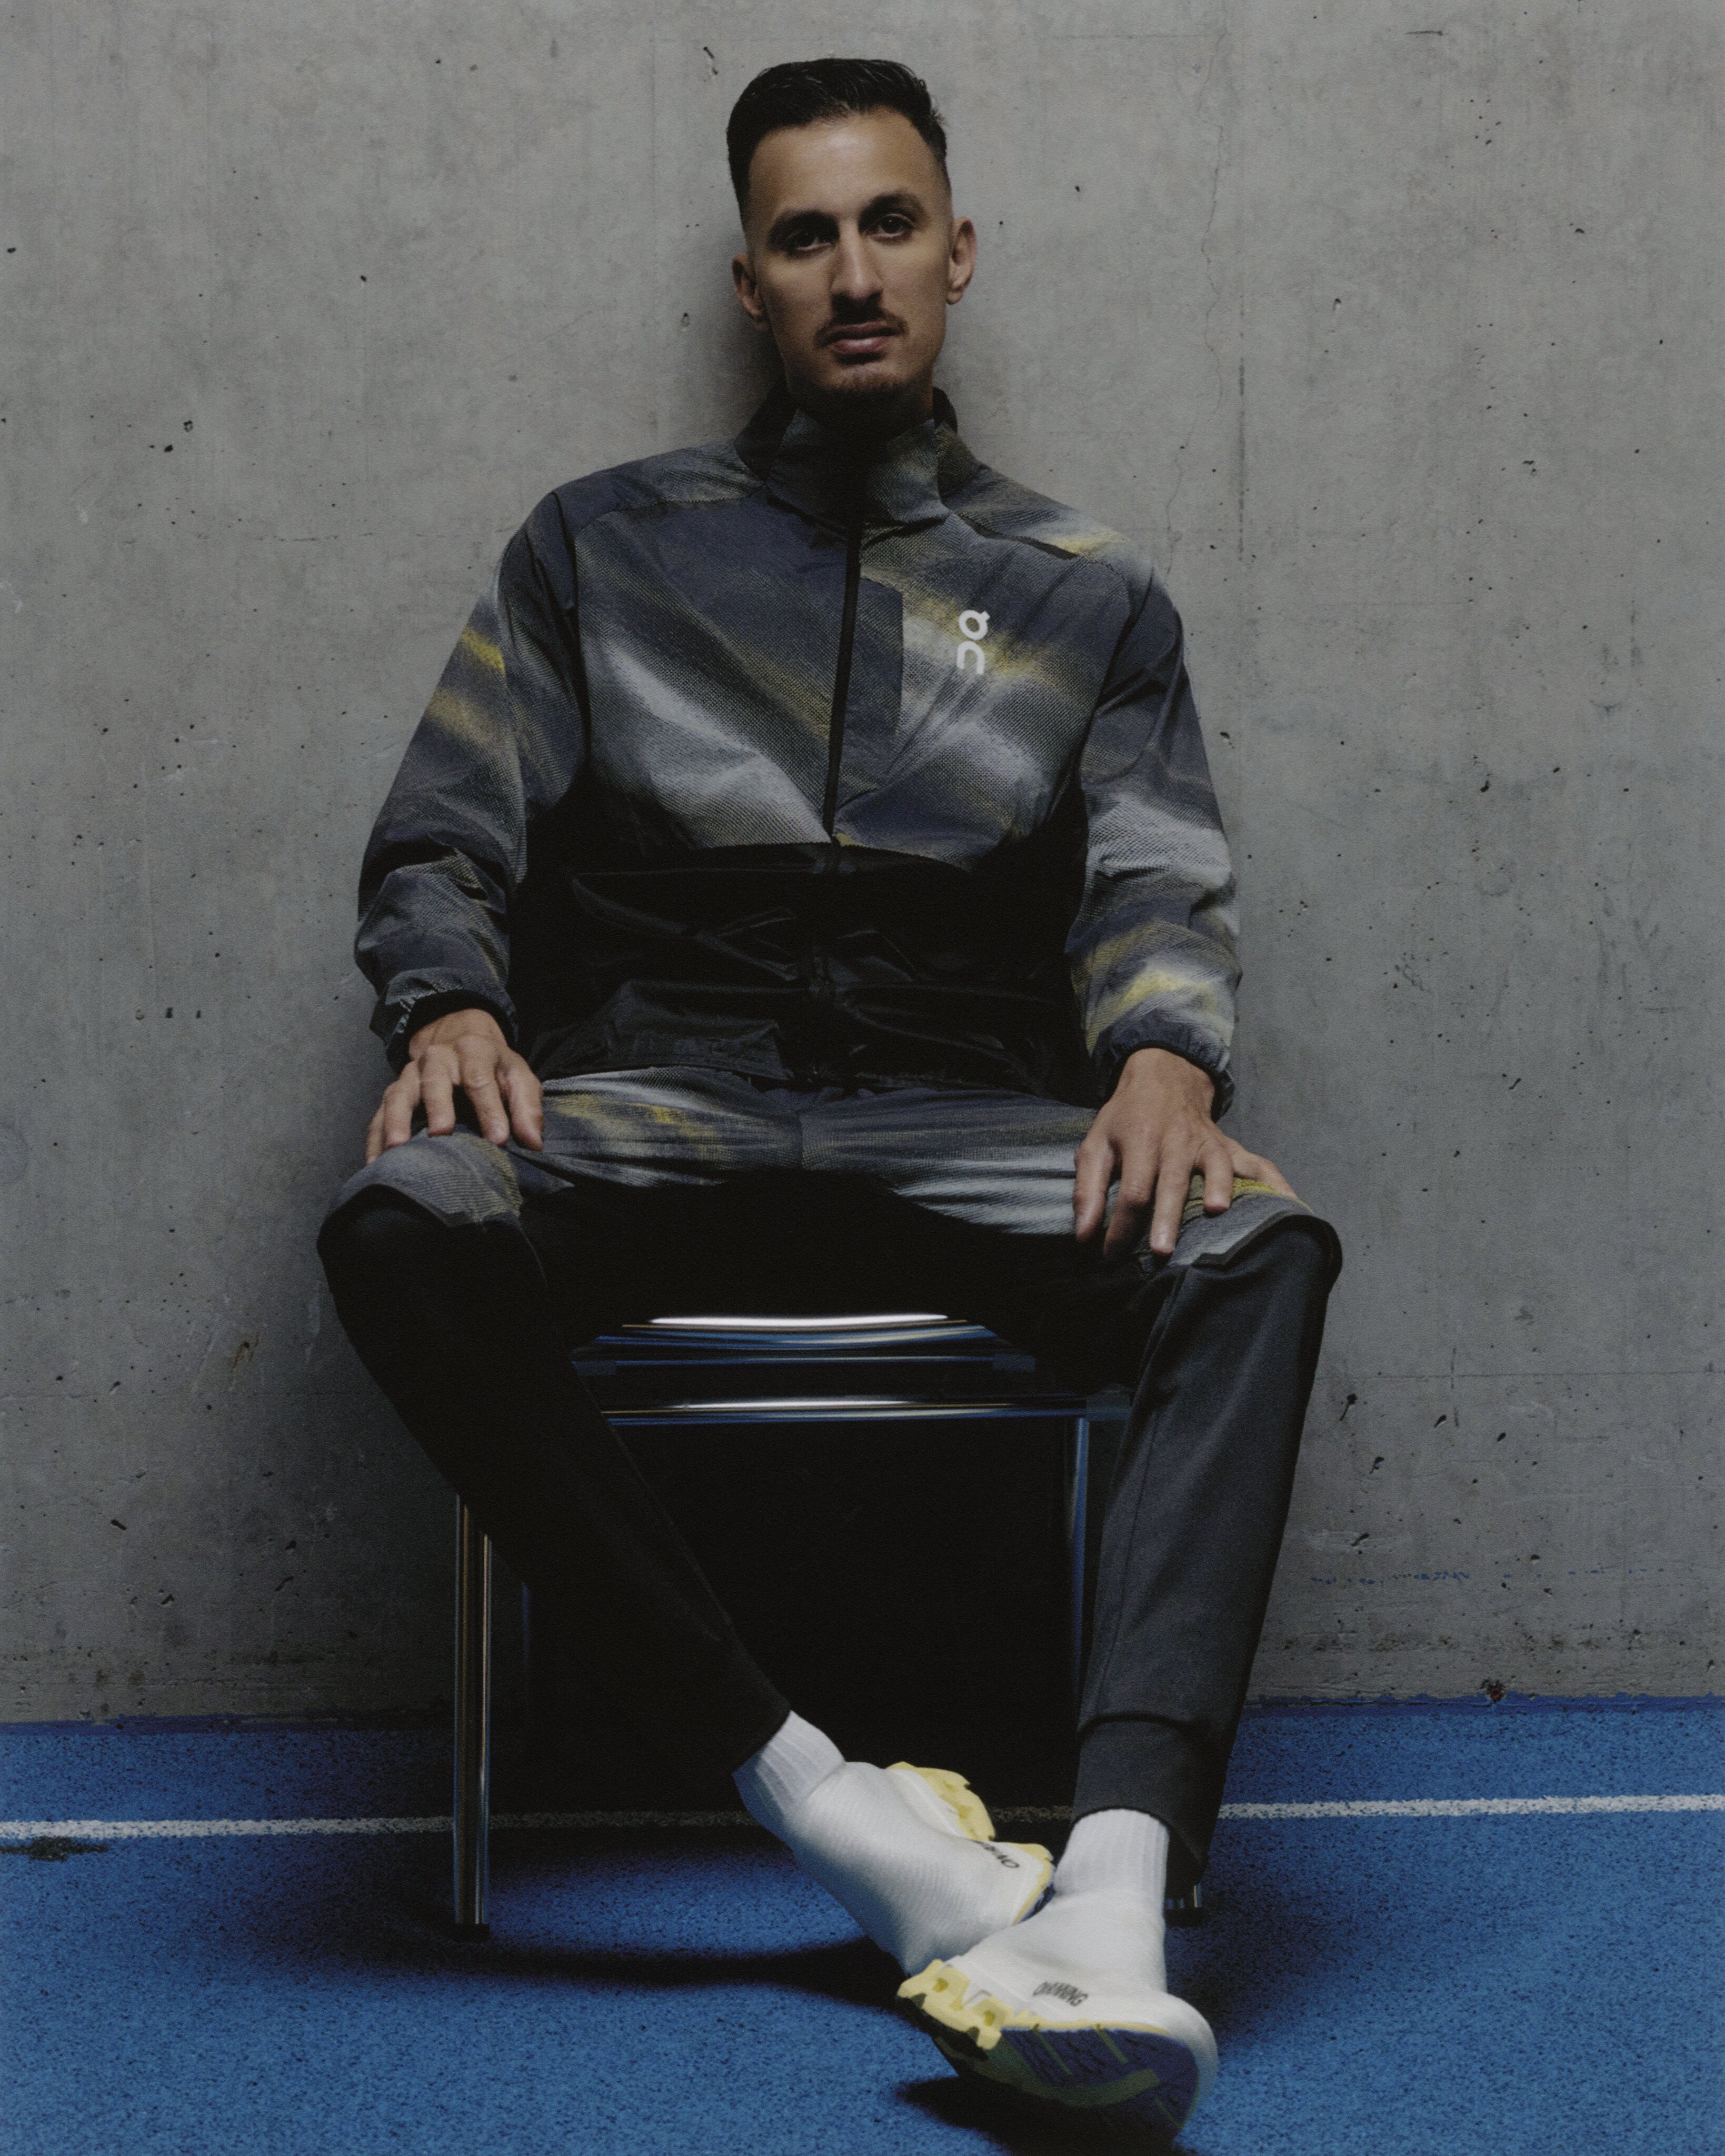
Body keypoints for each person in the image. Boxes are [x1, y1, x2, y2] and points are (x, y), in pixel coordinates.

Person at [317, 57, 1340, 2142]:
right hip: (654, 1101)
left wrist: (1165, 1051)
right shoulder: (599, 546)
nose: (853, 273)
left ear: (957, 256)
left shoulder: (1085, 588)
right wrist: (448, 1009)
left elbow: (1157, 871)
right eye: (806, 236)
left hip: (955, 1114)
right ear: (752, 282)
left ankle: (1111, 1893)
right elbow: (444, 832)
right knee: (400, 1224)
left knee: (1258, 1243)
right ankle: (842, 1817)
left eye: (889, 227)